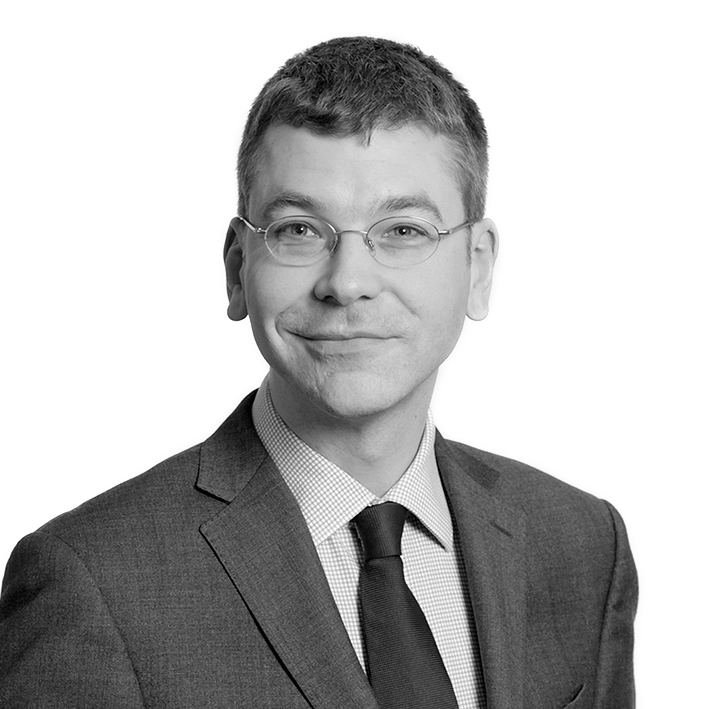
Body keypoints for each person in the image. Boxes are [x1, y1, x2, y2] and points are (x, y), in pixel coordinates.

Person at [0, 37, 637, 709]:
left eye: (403, 230)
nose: (348, 281)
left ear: (477, 267)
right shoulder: (93, 581)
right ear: (237, 267)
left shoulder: (580, 543)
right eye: (299, 230)